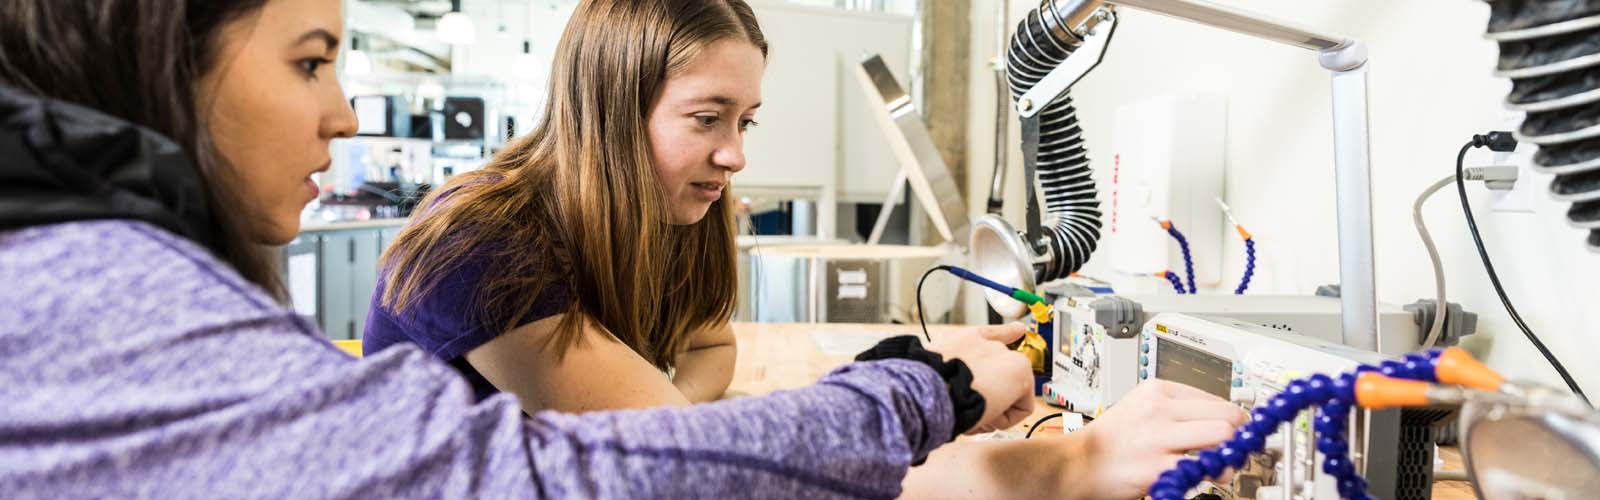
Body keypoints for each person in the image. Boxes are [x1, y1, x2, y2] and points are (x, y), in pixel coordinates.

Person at [364, 0, 1247, 498]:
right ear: (607, 108)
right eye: (707, 119)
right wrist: (1069, 460)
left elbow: (708, 360)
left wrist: (673, 400)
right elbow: (709, 466)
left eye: (744, 120)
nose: (735, 153)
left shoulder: (678, 206)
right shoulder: (479, 243)